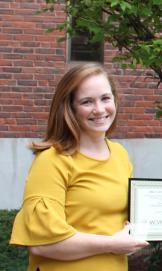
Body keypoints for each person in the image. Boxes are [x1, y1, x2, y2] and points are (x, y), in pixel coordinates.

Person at [9, 63, 149, 271]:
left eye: (105, 98)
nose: (99, 109)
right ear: (70, 108)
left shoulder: (120, 155)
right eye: (86, 102)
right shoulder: (52, 160)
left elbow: (123, 226)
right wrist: (113, 244)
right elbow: (42, 244)